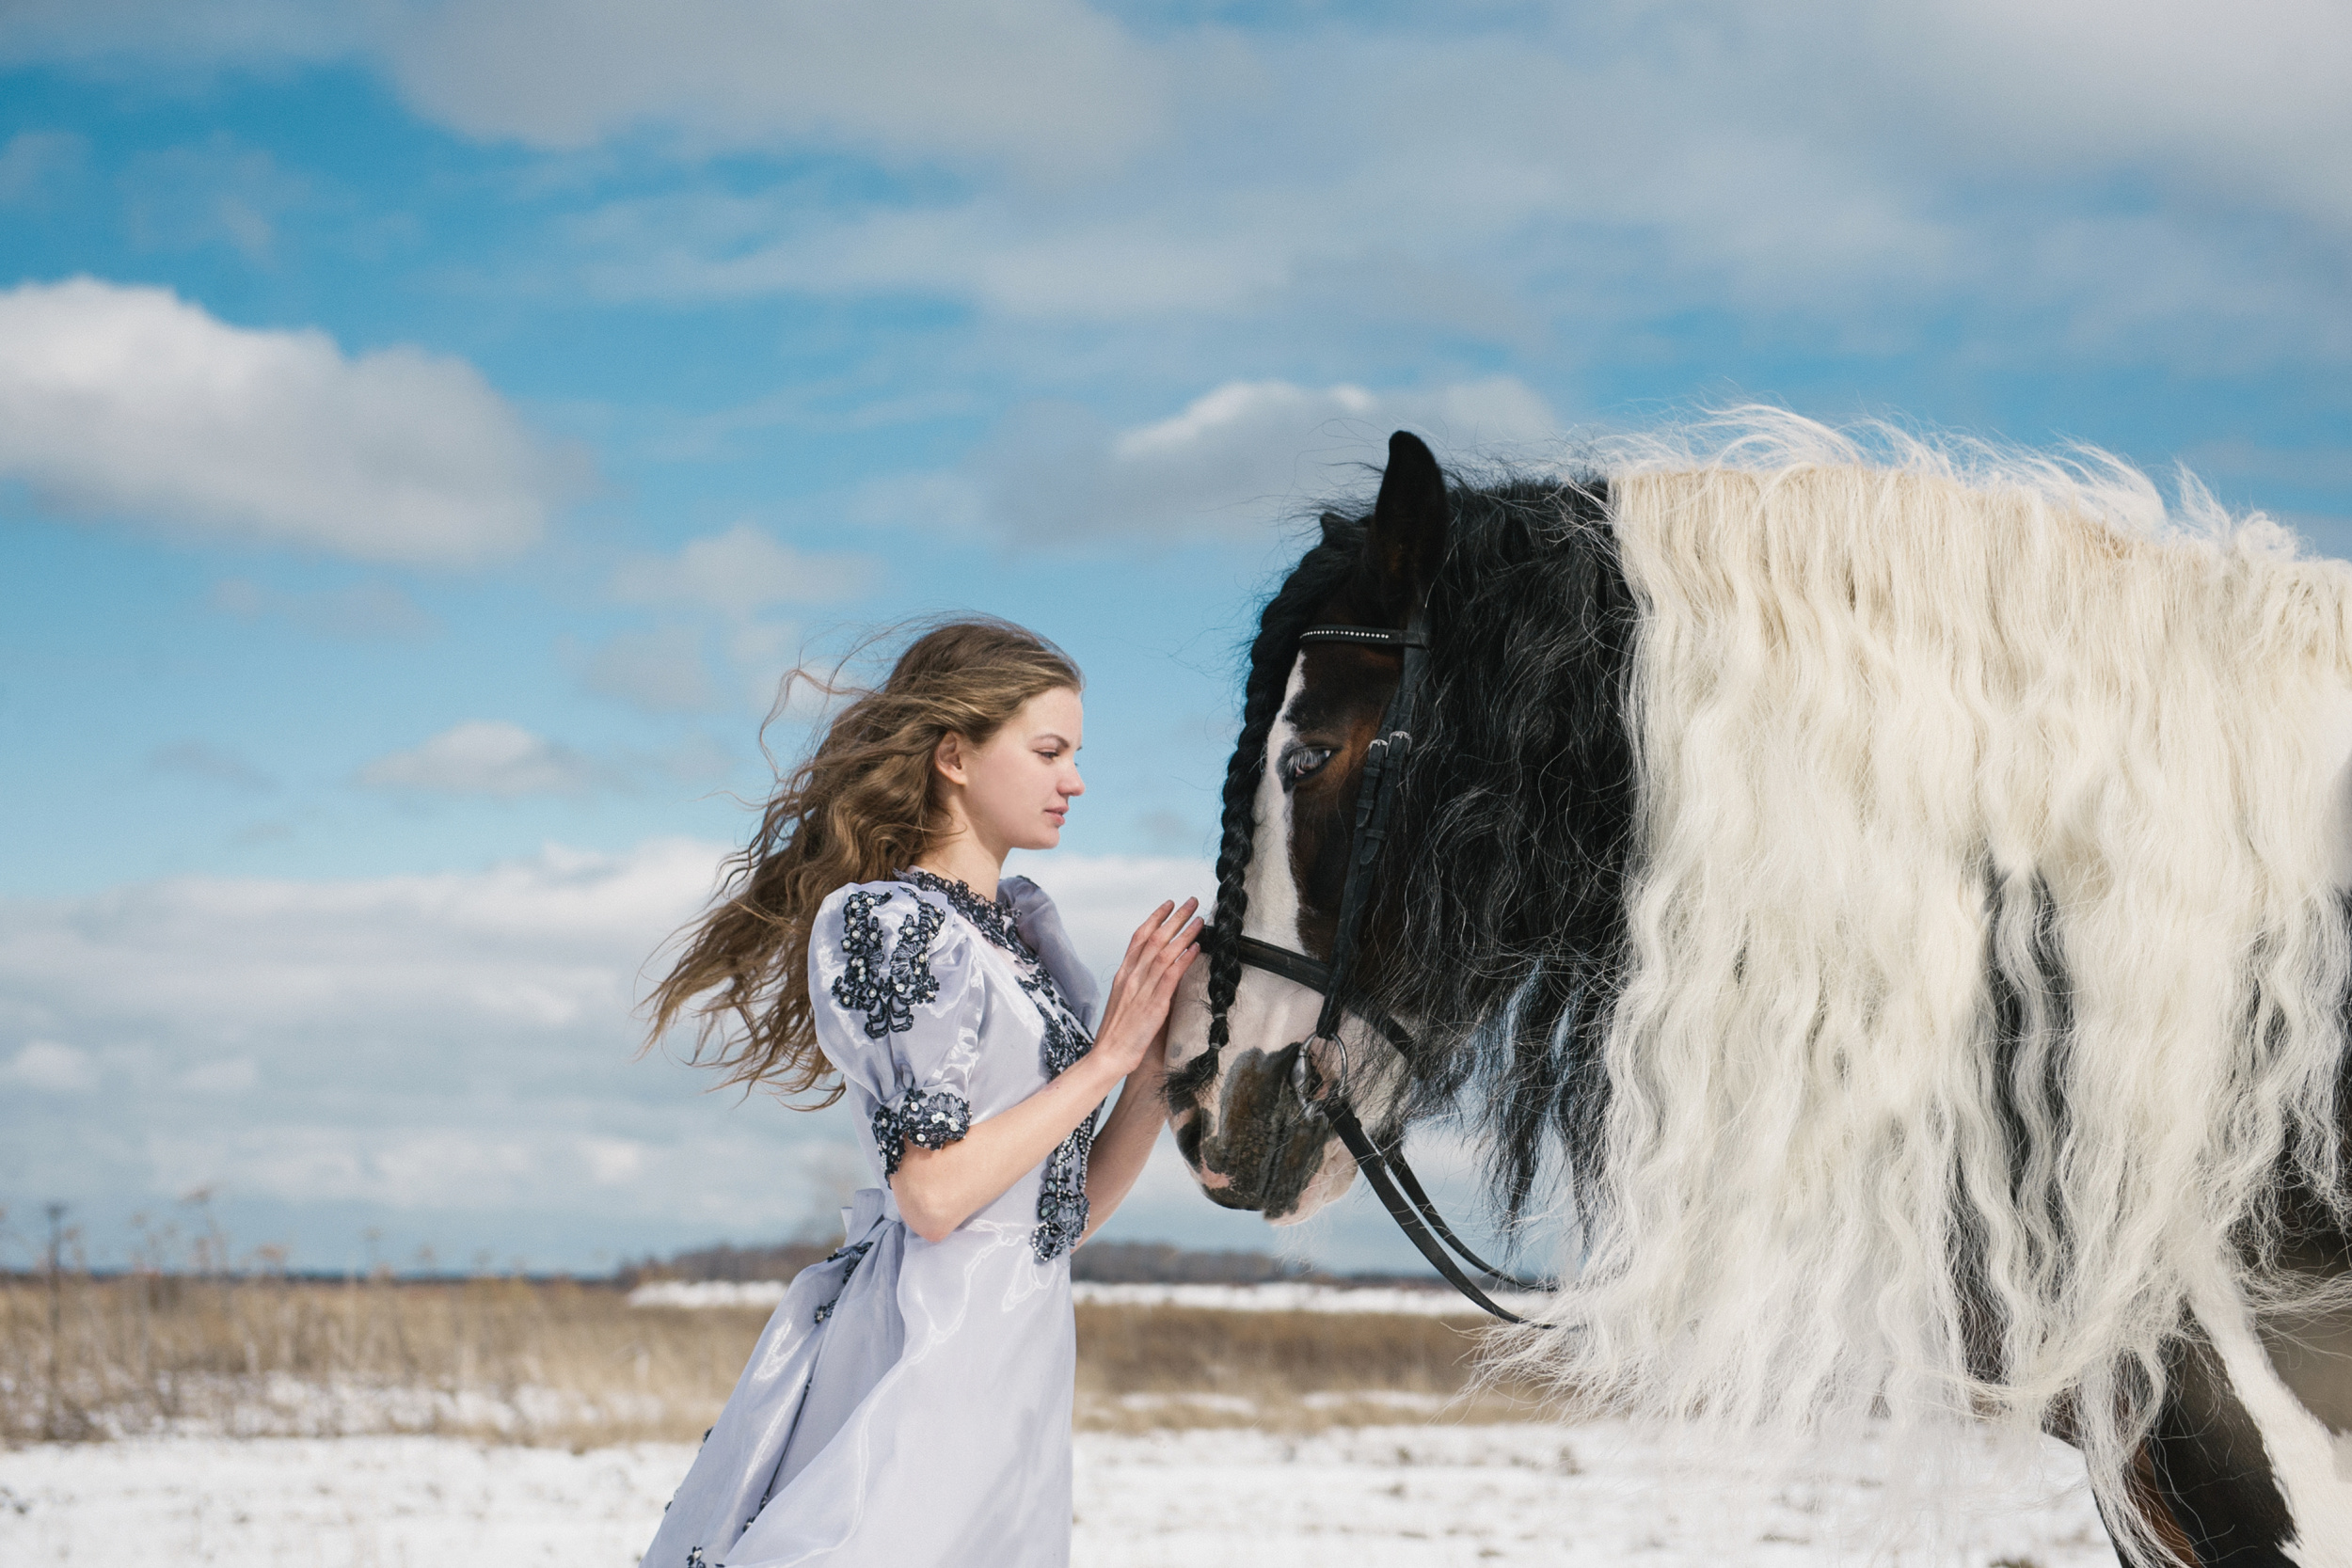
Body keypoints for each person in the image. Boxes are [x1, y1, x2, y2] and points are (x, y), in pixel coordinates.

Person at [639, 619, 1200, 1568]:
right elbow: (933, 1196)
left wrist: (1148, 1067)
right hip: (927, 1354)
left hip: (1018, 1364)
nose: (1076, 780)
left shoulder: (1019, 932)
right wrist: (1102, 1062)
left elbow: (1051, 1219)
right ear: (954, 755)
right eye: (1049, 750)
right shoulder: (891, 923)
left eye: (1076, 754)